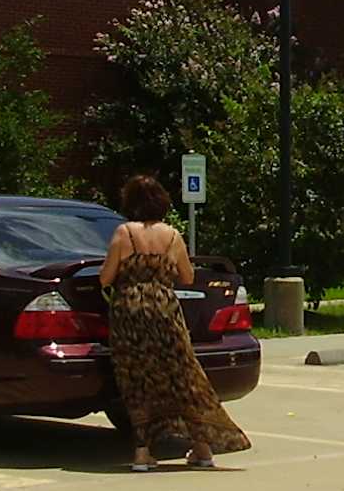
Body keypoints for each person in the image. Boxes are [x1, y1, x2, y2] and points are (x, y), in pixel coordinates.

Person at [99, 175, 251, 472]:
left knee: (137, 379)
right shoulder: (172, 236)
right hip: (165, 309)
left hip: (129, 312)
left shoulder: (123, 233)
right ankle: (203, 446)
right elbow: (188, 277)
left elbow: (105, 277)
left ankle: (143, 452)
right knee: (184, 376)